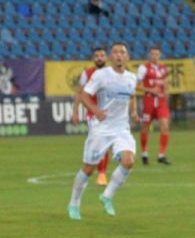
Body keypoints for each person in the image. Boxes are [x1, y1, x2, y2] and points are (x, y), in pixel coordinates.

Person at [67, 42, 138, 220]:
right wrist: (95, 111)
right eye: (115, 52)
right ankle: (74, 203)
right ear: (110, 57)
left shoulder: (131, 78)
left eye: (123, 52)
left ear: (127, 57)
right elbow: (83, 95)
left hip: (122, 127)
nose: (119, 55)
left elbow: (132, 96)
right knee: (89, 169)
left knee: (128, 161)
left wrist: (134, 112)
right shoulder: (101, 75)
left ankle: (106, 196)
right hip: (102, 128)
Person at [72, 46, 112, 186]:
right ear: (93, 59)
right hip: (93, 114)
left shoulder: (112, 73)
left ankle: (102, 173)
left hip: (109, 114)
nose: (99, 58)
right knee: (98, 143)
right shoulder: (87, 73)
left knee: (106, 144)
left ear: (106, 58)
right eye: (97, 56)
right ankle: (95, 169)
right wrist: (76, 111)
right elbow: (80, 93)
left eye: (102, 55)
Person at [136, 46, 171, 165]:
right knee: (145, 127)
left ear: (160, 55)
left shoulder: (163, 68)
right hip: (149, 101)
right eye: (152, 54)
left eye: (157, 54)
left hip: (161, 101)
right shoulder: (143, 68)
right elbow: (137, 86)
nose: (155, 56)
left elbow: (163, 83)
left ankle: (161, 155)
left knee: (165, 126)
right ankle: (144, 153)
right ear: (149, 55)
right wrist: (150, 90)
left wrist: (165, 86)